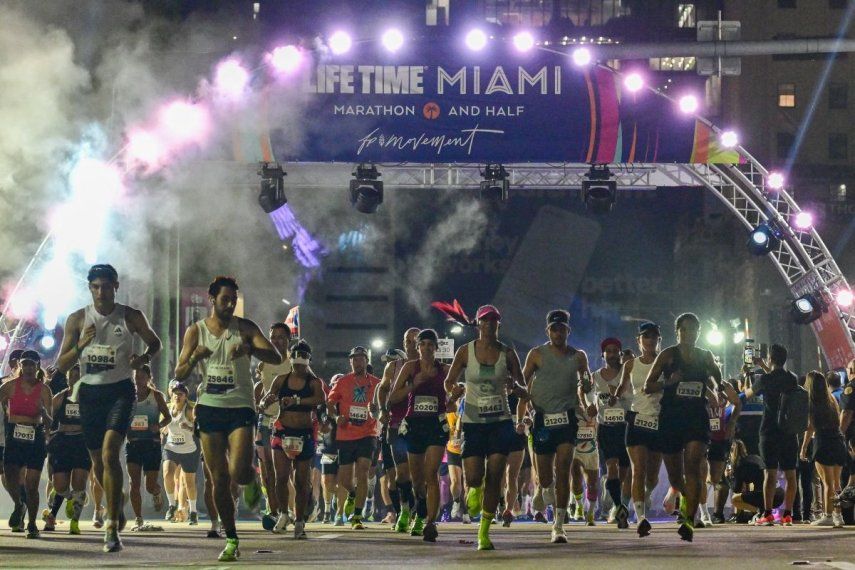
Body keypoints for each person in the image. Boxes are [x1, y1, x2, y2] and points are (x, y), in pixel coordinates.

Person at [174, 276, 282, 562]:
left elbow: (276, 355)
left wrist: (250, 349)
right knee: (218, 478)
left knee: (239, 472)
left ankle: (252, 483)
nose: (231, 304)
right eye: (226, 299)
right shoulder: (195, 331)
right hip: (209, 405)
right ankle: (232, 538)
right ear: (212, 299)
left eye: (234, 299)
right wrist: (195, 357)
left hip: (240, 406)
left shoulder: (245, 328)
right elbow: (179, 373)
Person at [56, 264, 162, 552]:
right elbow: (61, 365)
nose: (101, 292)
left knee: (109, 452)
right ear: (90, 288)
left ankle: (112, 526)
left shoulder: (130, 316)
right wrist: (80, 346)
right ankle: (118, 498)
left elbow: (155, 343)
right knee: (98, 462)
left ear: (116, 286)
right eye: (96, 287)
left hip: (120, 391)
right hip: (89, 393)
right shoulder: (78, 319)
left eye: (107, 286)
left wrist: (143, 359)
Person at [443, 305, 526, 551]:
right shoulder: (465, 352)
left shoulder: (508, 353)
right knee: (475, 475)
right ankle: (474, 491)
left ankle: (484, 533)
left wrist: (515, 386)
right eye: (485, 320)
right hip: (473, 422)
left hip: (500, 421)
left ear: (499, 324)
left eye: (494, 320)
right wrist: (454, 390)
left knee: (496, 476)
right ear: (478, 324)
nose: (490, 324)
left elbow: (521, 384)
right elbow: (449, 381)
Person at [644, 313, 721, 542]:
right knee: (676, 478)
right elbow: (648, 386)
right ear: (677, 331)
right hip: (672, 418)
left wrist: (717, 388)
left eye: (695, 330)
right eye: (685, 330)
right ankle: (687, 500)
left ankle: (689, 520)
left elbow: (718, 379)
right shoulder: (668, 354)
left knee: (694, 466)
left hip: (696, 417)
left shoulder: (705, 356)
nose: (690, 334)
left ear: (699, 332)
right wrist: (670, 381)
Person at [519, 310, 586, 543]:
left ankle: (558, 525)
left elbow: (585, 383)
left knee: (564, 468)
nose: (558, 332)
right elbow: (523, 383)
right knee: (546, 476)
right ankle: (543, 488)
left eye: (562, 328)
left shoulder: (578, 356)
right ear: (548, 331)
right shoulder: (537, 354)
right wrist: (521, 411)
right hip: (543, 418)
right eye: (554, 329)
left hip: (567, 418)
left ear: (569, 330)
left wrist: (586, 388)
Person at [388, 329, 449, 542]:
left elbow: (453, 394)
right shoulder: (409, 367)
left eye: (430, 345)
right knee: (417, 480)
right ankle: (420, 509)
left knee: (431, 474)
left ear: (436, 347)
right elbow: (392, 398)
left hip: (435, 426)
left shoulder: (444, 369)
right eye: (422, 344)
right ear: (417, 347)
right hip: (414, 425)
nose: (425, 348)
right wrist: (415, 383)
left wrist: (456, 393)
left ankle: (429, 522)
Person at [261, 339, 325, 538]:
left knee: (301, 480)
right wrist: (266, 401)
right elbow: (268, 397)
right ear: (290, 358)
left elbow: (320, 400)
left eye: (303, 358)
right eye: (295, 357)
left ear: (308, 360)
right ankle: (282, 514)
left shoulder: (314, 382)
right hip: (281, 431)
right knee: (280, 477)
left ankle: (299, 521)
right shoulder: (281, 379)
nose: (298, 362)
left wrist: (297, 400)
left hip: (304, 435)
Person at [743, 344, 799, 527]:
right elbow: (778, 378)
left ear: (770, 359)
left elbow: (748, 394)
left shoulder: (766, 380)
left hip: (769, 431)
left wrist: (747, 376)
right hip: (789, 432)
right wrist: (766, 367)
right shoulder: (792, 378)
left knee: (770, 473)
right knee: (791, 475)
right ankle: (788, 515)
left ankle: (767, 515)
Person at [326, 346, 381, 530]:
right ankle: (352, 493)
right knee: (344, 479)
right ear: (350, 362)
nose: (357, 362)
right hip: (346, 434)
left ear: (367, 361)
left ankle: (357, 516)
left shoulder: (376, 383)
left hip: (368, 433)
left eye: (361, 359)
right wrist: (336, 417)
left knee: (363, 471)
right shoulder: (343, 382)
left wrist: (377, 411)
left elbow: (383, 405)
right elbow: (330, 403)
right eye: (354, 359)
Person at [0, 350, 53, 538]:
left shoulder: (44, 390)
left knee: (32, 485)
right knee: (9, 476)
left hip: (35, 436)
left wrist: (45, 415)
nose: (29, 368)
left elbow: (50, 422)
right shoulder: (9, 387)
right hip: (14, 434)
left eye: (32, 364)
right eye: (25, 364)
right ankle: (18, 504)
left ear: (38, 367)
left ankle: (31, 523)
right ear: (20, 366)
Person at [619, 322, 663, 537]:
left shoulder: (666, 362)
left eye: (654, 337)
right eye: (646, 337)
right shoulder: (630, 365)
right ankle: (640, 517)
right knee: (638, 470)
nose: (650, 341)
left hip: (658, 421)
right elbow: (621, 390)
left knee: (652, 476)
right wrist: (612, 399)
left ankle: (645, 494)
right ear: (639, 341)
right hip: (637, 420)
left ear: (658, 340)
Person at [582, 337, 631, 529]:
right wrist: (590, 407)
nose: (611, 354)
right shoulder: (596, 376)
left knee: (624, 473)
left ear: (620, 353)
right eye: (608, 351)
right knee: (612, 467)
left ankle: (618, 502)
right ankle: (619, 509)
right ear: (602, 354)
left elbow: (633, 399)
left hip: (626, 427)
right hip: (606, 428)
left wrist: (619, 395)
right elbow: (588, 396)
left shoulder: (627, 373)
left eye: (615, 351)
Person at [377, 330, 419, 533]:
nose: (411, 345)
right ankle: (403, 511)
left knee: (420, 474)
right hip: (396, 424)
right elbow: (382, 389)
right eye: (407, 342)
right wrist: (383, 410)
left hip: (422, 425)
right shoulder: (393, 367)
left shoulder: (429, 368)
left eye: (415, 342)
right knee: (399, 475)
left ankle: (420, 512)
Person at [254, 322, 293, 527]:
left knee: (285, 471)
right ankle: (274, 510)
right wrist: (258, 403)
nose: (276, 340)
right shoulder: (263, 363)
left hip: (289, 422)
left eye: (280, 337)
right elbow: (260, 388)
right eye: (273, 337)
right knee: (267, 469)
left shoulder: (294, 363)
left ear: (288, 340)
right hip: (266, 420)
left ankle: (292, 508)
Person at [45, 364, 90, 535]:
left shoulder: (89, 398)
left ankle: (74, 522)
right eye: (72, 376)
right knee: (60, 484)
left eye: (78, 376)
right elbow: (48, 416)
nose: (75, 379)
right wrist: (48, 433)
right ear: (67, 378)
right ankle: (69, 498)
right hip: (63, 442)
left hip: (81, 443)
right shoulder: (60, 397)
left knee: (79, 483)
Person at [801, 371, 848, 527]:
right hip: (838, 440)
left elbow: (810, 427)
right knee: (836, 483)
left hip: (823, 442)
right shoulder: (832, 399)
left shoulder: (812, 402)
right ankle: (838, 515)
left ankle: (827, 515)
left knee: (827, 482)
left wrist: (804, 447)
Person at [125, 365, 169, 530]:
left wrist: (159, 426)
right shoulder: (128, 396)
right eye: (136, 376)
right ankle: (138, 517)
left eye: (142, 377)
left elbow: (168, 417)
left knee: (150, 486)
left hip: (151, 444)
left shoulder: (156, 396)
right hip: (134, 443)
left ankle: (156, 492)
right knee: (133, 483)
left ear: (148, 378)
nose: (139, 380)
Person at [699, 379, 741, 527]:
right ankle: (699, 512)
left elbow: (738, 403)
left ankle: (694, 496)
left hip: (720, 437)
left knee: (715, 478)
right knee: (699, 473)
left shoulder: (724, 386)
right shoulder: (699, 383)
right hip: (701, 435)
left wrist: (732, 422)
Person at [162, 382, 201, 525]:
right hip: (171, 447)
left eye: (180, 394)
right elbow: (164, 423)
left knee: (189, 483)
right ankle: (172, 505)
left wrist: (189, 427)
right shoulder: (167, 408)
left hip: (189, 449)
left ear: (185, 397)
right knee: (167, 473)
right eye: (175, 394)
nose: (177, 397)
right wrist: (163, 429)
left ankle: (193, 512)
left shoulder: (190, 410)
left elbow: (199, 431)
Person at [729, 440, 785, 517]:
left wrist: (729, 477)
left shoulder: (740, 465)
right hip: (780, 494)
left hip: (769, 496)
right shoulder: (755, 457)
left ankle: (761, 512)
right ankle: (759, 512)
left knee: (735, 499)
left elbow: (736, 489)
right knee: (751, 489)